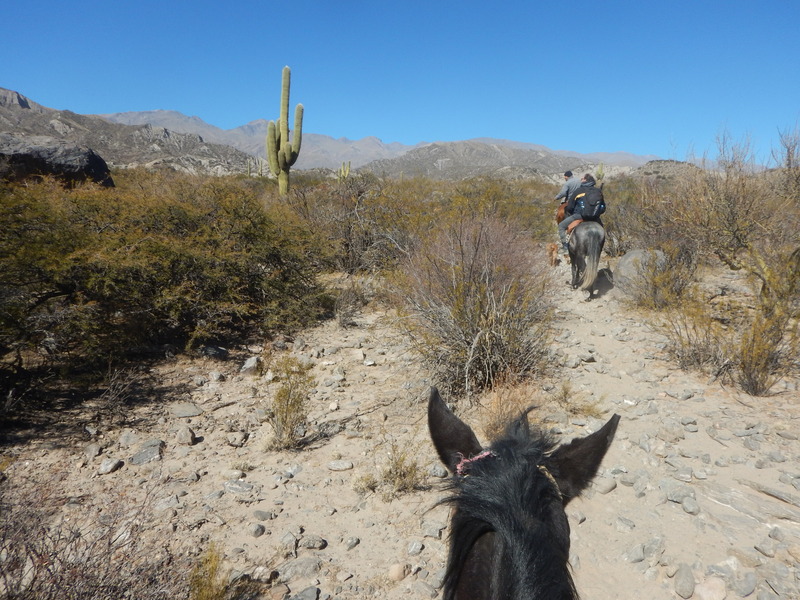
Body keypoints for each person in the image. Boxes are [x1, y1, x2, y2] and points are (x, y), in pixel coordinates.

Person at [557, 173, 600, 255]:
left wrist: (573, 212)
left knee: (561, 226)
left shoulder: (579, 191)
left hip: (580, 215)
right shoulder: (598, 191)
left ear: (585, 180)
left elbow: (570, 207)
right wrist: (595, 214)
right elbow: (603, 207)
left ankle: (565, 247)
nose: (581, 180)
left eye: (582, 178)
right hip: (595, 217)